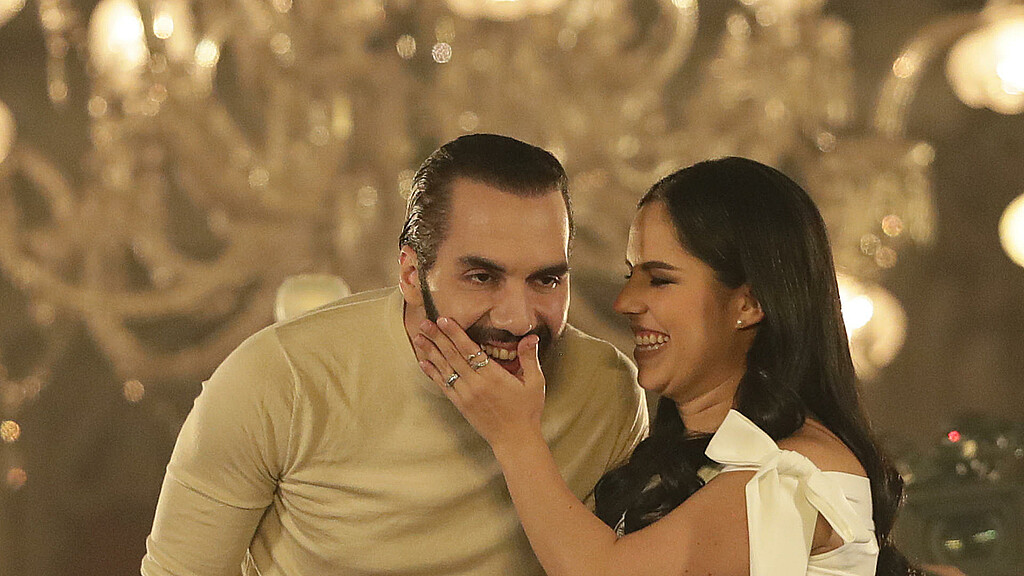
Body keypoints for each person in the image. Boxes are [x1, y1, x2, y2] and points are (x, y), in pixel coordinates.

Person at [140, 134, 649, 576]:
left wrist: (517, 437)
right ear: (410, 274)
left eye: (546, 280)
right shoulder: (277, 379)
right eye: (481, 277)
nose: (518, 319)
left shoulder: (607, 391)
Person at [415, 156, 921, 576]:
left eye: (659, 280)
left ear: (748, 303)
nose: (625, 302)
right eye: (630, 275)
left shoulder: (794, 474)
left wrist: (514, 435)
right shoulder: (698, 452)